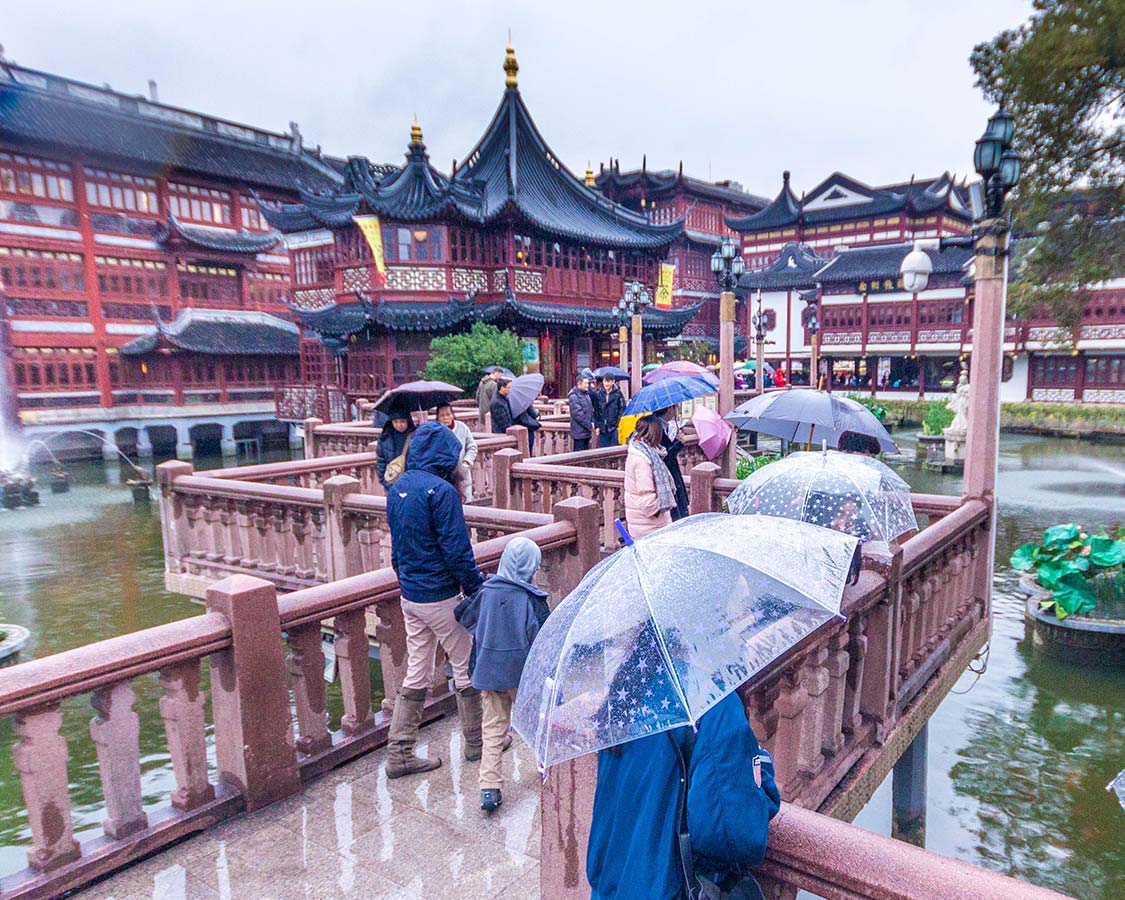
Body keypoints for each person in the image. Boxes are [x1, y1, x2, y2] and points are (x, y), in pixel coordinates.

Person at [587, 683, 781, 900]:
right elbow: (736, 835)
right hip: (662, 888)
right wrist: (759, 768)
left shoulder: (629, 688)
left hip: (610, 884)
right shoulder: (716, 705)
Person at [385, 422, 485, 778]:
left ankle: (400, 753)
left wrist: (407, 582)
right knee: (465, 665)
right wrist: (475, 587)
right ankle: (477, 743)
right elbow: (458, 551)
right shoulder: (441, 492)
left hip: (410, 595)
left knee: (418, 670)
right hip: (440, 595)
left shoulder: (398, 487)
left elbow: (397, 549)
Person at [458, 536, 549, 814]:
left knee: (493, 727)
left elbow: (463, 616)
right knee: (536, 724)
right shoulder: (532, 600)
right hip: (521, 675)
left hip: (489, 671)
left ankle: (489, 788)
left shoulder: (486, 592)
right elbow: (543, 639)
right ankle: (546, 767)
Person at [624, 415, 677, 538]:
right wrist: (662, 507)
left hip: (648, 524)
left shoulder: (647, 453)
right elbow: (647, 500)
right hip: (649, 526)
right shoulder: (642, 459)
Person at [436, 403, 478, 503]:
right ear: (437, 417)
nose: (446, 418)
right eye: (442, 415)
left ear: (452, 415)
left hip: (462, 474)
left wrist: (466, 462)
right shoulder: (435, 431)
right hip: (443, 476)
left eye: (448, 414)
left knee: (466, 505)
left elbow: (472, 447)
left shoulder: (462, 427)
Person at [658, 406, 690, 520]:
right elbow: (663, 458)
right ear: (669, 409)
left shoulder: (663, 426)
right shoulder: (656, 428)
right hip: (667, 479)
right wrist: (678, 443)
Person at [375, 410, 415, 490]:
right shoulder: (385, 437)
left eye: (402, 421)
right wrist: (384, 481)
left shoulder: (415, 436)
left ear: (408, 421)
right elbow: (380, 460)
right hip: (392, 481)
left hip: (411, 481)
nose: (399, 425)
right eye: (395, 422)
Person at [569, 375, 595, 451]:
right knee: (579, 455)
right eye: (586, 383)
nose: (588, 385)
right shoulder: (573, 396)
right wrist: (589, 425)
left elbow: (590, 410)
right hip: (579, 433)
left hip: (586, 432)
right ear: (579, 384)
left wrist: (592, 421)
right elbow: (578, 415)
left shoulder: (586, 394)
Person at [598, 377, 625, 447]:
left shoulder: (618, 394)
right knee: (603, 451)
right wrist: (597, 425)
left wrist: (618, 424)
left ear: (613, 382)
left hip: (614, 427)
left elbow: (622, 409)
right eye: (605, 382)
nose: (606, 384)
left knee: (614, 449)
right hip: (603, 427)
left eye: (608, 382)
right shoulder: (599, 394)